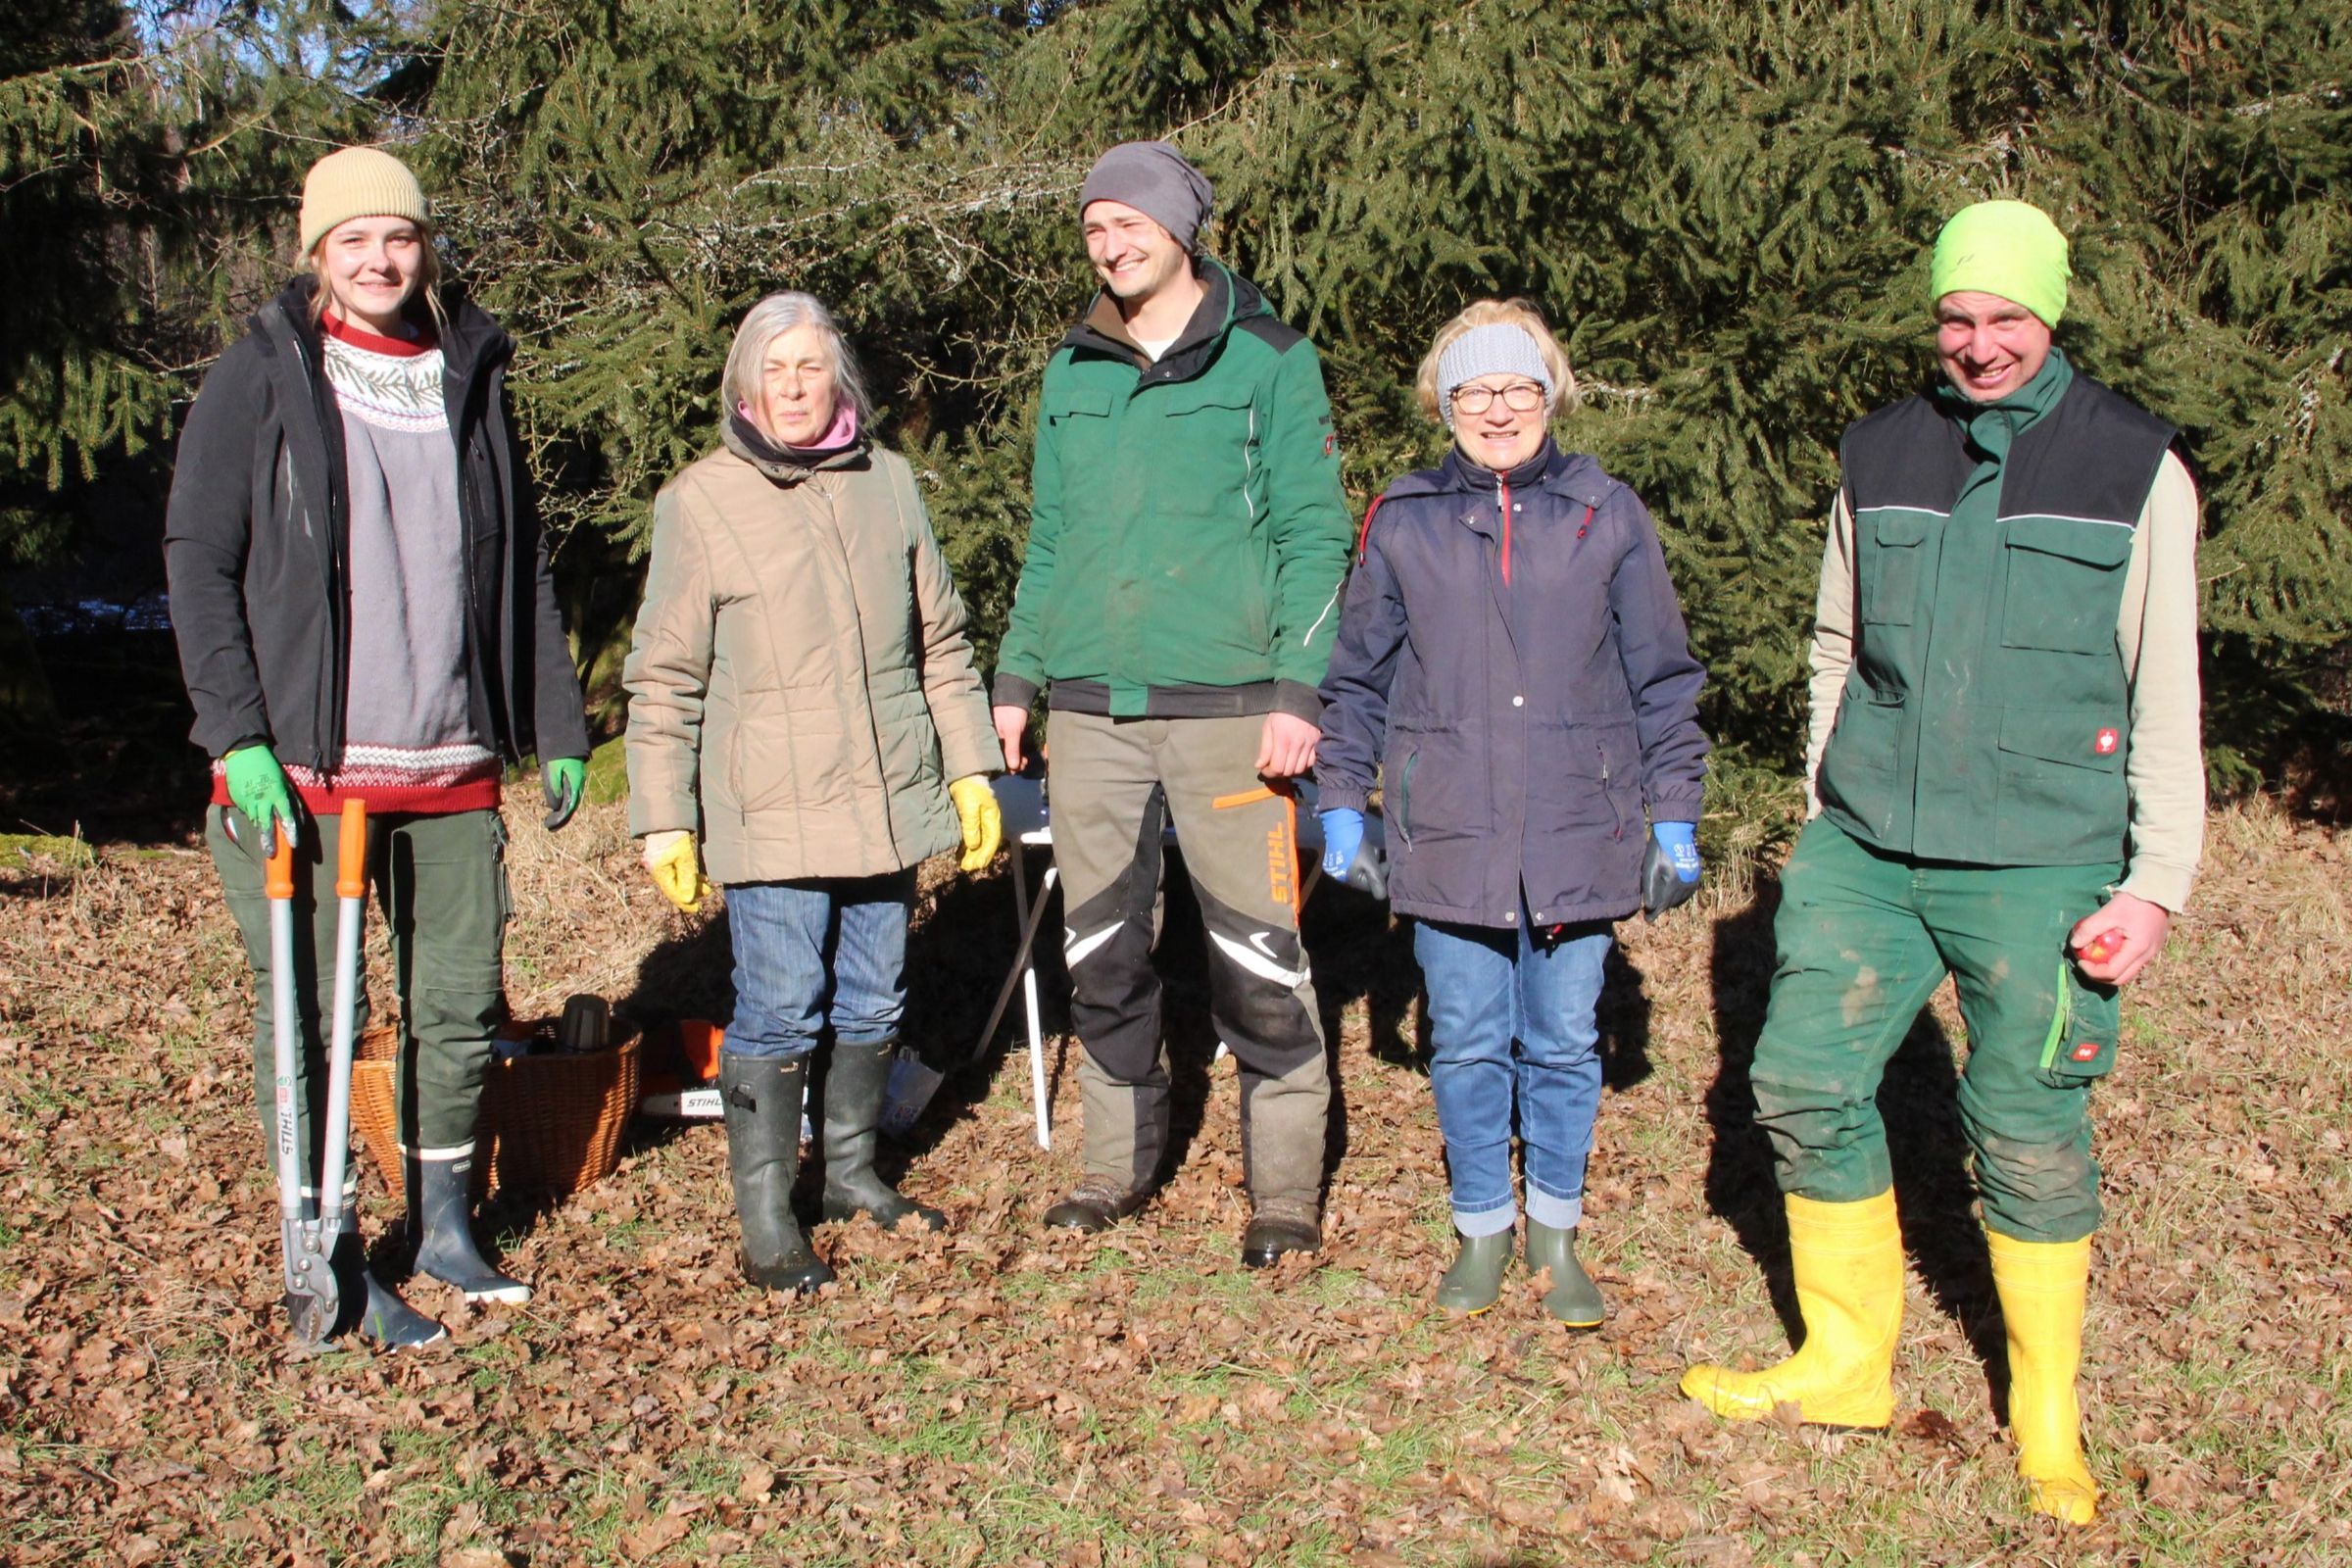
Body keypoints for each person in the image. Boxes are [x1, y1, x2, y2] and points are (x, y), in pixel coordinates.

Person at [1679, 200, 2205, 1526]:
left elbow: (2166, 693)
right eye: (1957, 318)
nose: (1978, 344)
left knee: (2026, 1126)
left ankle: (2046, 1414)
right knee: (1801, 1080)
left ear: (2052, 314)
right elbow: (1837, 647)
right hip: (1869, 850)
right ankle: (1845, 1364)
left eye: (2006, 317)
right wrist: (1825, 802)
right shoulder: (1881, 450)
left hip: (2043, 858)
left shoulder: (2135, 469)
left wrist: (2153, 884)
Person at [166, 146, 591, 1347]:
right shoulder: (262, 372)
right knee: (309, 1014)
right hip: (301, 770)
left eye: (398, 237)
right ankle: (329, 1252)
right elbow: (198, 560)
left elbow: (521, 561)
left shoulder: (468, 368)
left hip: (449, 758)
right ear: (318, 251)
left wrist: (556, 718)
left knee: (454, 1003)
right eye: (353, 239)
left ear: (425, 248)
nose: (379, 258)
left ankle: (445, 1223)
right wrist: (236, 733)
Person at [990, 141, 1353, 1267]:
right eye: (1095, 227)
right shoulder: (1073, 369)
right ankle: (1114, 1168)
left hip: (1233, 714)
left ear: (1180, 228)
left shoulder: (1271, 359)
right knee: (1102, 948)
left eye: (1130, 223)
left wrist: (1299, 688)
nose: (1111, 244)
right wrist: (1018, 673)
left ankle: (1282, 1193)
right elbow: (1051, 539)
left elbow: (1316, 534)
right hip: (1093, 713)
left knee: (1258, 957)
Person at [1314, 301, 1709, 1320]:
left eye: (1518, 388)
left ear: (1550, 395)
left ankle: (1556, 1232)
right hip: (1449, 824)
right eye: (1475, 391)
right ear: (1445, 404)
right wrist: (1343, 804)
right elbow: (1356, 680)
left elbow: (1662, 676)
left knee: (1566, 1039)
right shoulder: (1404, 518)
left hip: (1581, 823)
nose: (1498, 410)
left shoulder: (1605, 512)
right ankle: (1483, 1226)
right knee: (1467, 1039)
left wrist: (1674, 812)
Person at [622, 291, 1003, 1294]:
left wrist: (970, 767)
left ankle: (849, 1175)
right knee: (783, 1009)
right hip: (773, 809)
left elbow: (942, 643)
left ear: (840, 379)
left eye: (810, 366)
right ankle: (767, 1220)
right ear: (744, 385)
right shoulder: (702, 501)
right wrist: (664, 817)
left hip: (886, 798)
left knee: (876, 995)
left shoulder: (889, 484)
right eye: (774, 369)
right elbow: (665, 676)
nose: (793, 387)